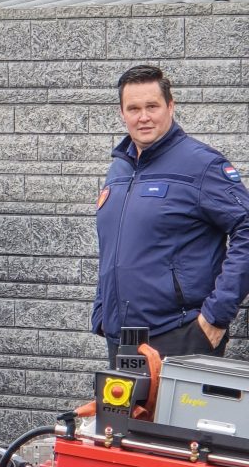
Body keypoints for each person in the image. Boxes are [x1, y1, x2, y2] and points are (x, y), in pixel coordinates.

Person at [93, 64, 249, 364]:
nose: (143, 117)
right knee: (122, 414)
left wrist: (215, 316)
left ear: (171, 106)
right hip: (121, 340)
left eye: (152, 106)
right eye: (134, 108)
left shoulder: (202, 165)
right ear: (121, 113)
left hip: (179, 336)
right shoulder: (120, 169)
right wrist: (102, 310)